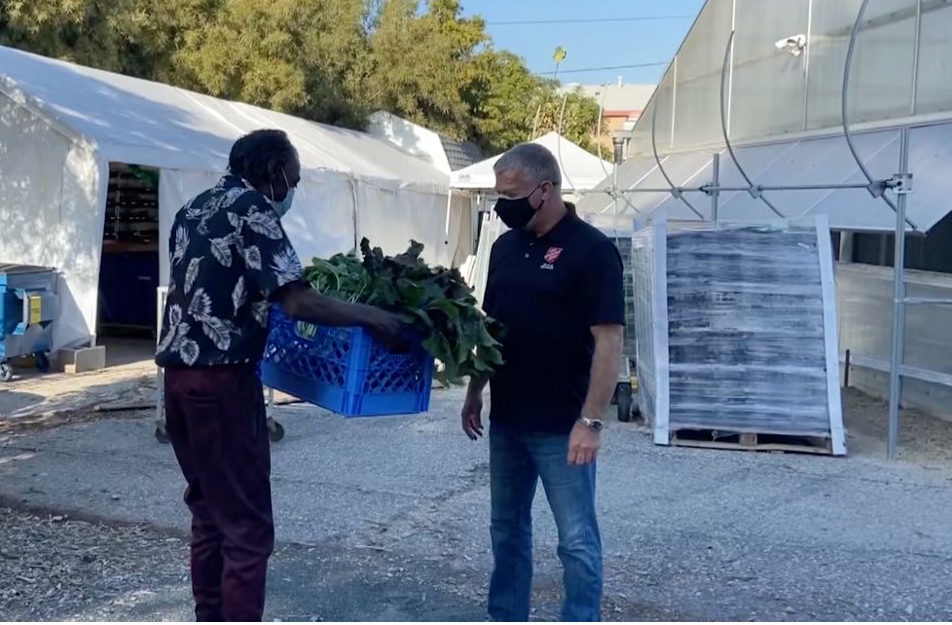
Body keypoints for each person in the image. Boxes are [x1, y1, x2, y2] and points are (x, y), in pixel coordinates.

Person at [155, 129, 406, 622]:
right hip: (224, 383)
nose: (292, 190)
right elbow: (298, 301)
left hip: (178, 381)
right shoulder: (254, 209)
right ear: (273, 173)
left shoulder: (193, 208)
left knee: (208, 512)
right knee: (247, 529)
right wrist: (372, 317)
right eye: (293, 180)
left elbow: (224, 287)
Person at [461, 142, 624, 622]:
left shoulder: (592, 251)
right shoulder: (505, 248)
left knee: (575, 540)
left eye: (511, 195)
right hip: (509, 419)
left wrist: (590, 422)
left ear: (545, 189)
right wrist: (475, 391)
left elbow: (609, 343)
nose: (502, 205)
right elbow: (491, 329)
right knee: (506, 530)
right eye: (499, 194)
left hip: (563, 426)